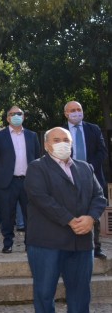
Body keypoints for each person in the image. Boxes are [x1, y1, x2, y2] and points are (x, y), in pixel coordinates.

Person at [24, 127, 106, 313]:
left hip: (81, 241)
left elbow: (99, 196)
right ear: (47, 145)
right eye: (56, 140)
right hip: (47, 242)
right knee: (45, 290)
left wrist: (91, 218)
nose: (62, 144)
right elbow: (41, 199)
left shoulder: (85, 168)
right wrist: (70, 220)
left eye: (66, 140)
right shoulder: (37, 168)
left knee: (81, 290)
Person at [0, 106, 41, 253]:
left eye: (19, 114)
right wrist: (4, 169)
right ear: (7, 118)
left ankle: (29, 243)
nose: (16, 116)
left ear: (23, 117)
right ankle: (8, 243)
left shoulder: (32, 135)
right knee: (6, 214)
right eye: (12, 114)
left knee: (29, 214)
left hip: (27, 181)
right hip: (7, 182)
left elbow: (37, 156)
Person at [65, 100, 108, 259]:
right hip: (68, 176)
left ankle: (95, 247)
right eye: (73, 110)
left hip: (92, 176)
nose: (77, 112)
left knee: (93, 211)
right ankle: (70, 246)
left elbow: (102, 152)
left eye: (79, 109)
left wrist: (87, 168)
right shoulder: (61, 131)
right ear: (66, 114)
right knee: (70, 210)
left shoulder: (94, 129)